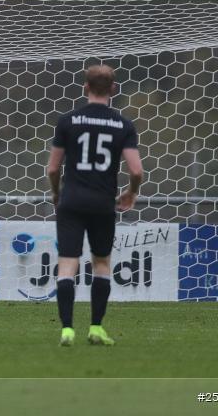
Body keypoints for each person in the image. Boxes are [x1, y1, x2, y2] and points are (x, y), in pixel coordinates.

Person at [46, 65, 143, 346]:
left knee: (67, 265)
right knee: (101, 263)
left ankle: (66, 330)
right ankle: (96, 328)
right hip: (103, 204)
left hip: (72, 202)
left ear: (85, 87)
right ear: (113, 89)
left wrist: (56, 194)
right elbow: (136, 170)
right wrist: (131, 193)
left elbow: (53, 168)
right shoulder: (123, 125)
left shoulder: (68, 121)